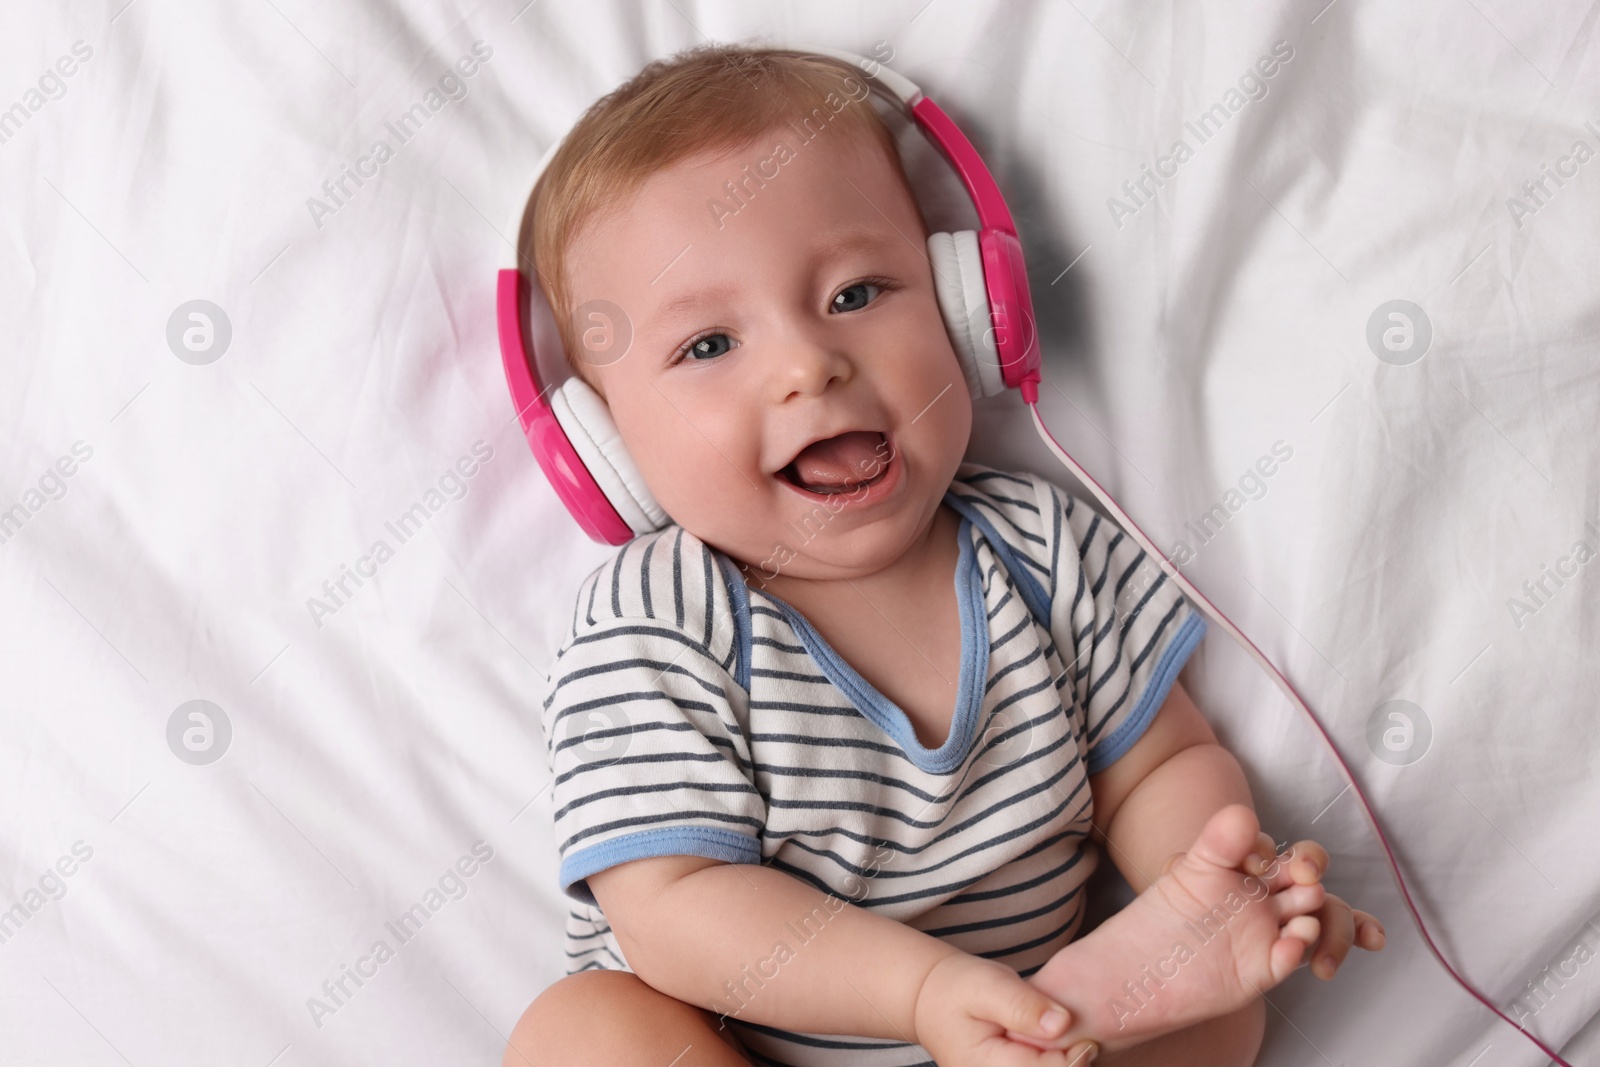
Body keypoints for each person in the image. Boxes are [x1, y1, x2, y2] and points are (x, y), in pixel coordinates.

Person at [505, 42, 1384, 1067]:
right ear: (606, 448)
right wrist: (922, 992)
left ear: (969, 312)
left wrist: (1211, 890)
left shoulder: (1042, 547)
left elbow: (1160, 765)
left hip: (1047, 1029)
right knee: (583, 1035)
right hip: (751, 1039)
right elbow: (671, 904)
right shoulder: (658, 618)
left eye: (855, 293)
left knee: (1220, 1006)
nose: (807, 364)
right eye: (708, 345)